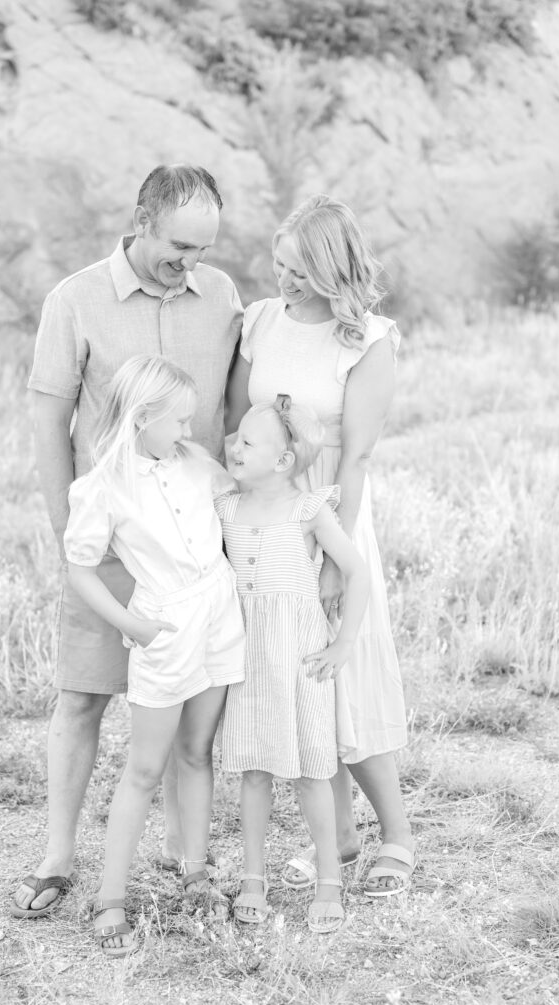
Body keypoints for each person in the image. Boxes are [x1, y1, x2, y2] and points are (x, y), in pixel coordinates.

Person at [12, 164, 243, 919]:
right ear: (141, 220)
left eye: (204, 247)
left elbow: (231, 414)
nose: (192, 261)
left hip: (194, 542)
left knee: (185, 712)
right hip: (110, 539)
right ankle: (57, 855)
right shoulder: (74, 299)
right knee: (82, 696)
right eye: (180, 244)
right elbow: (49, 417)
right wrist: (63, 526)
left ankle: (186, 865)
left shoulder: (221, 297)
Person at [225, 194, 414, 898]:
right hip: (266, 511)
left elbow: (357, 457)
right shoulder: (260, 321)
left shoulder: (366, 340)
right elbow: (237, 419)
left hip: (331, 506)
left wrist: (337, 559)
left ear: (332, 268)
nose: (285, 282)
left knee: (347, 664)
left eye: (300, 271)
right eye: (278, 266)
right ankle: (336, 834)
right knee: (294, 667)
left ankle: (395, 834)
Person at [63, 355, 245, 956]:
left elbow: (242, 499)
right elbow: (81, 567)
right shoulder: (101, 486)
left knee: (197, 753)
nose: (188, 432)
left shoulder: (193, 462)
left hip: (218, 611)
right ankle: (110, 897)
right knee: (145, 768)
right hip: (164, 625)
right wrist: (132, 625)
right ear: (141, 418)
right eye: (178, 422)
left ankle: (195, 873)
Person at [218, 397, 369, 933]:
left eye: (248, 441)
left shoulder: (308, 510)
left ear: (283, 462)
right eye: (236, 436)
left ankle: (330, 879)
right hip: (248, 658)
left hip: (300, 656)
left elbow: (357, 572)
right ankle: (252, 877)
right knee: (254, 769)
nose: (234, 445)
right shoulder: (227, 510)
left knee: (310, 772)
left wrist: (343, 644)